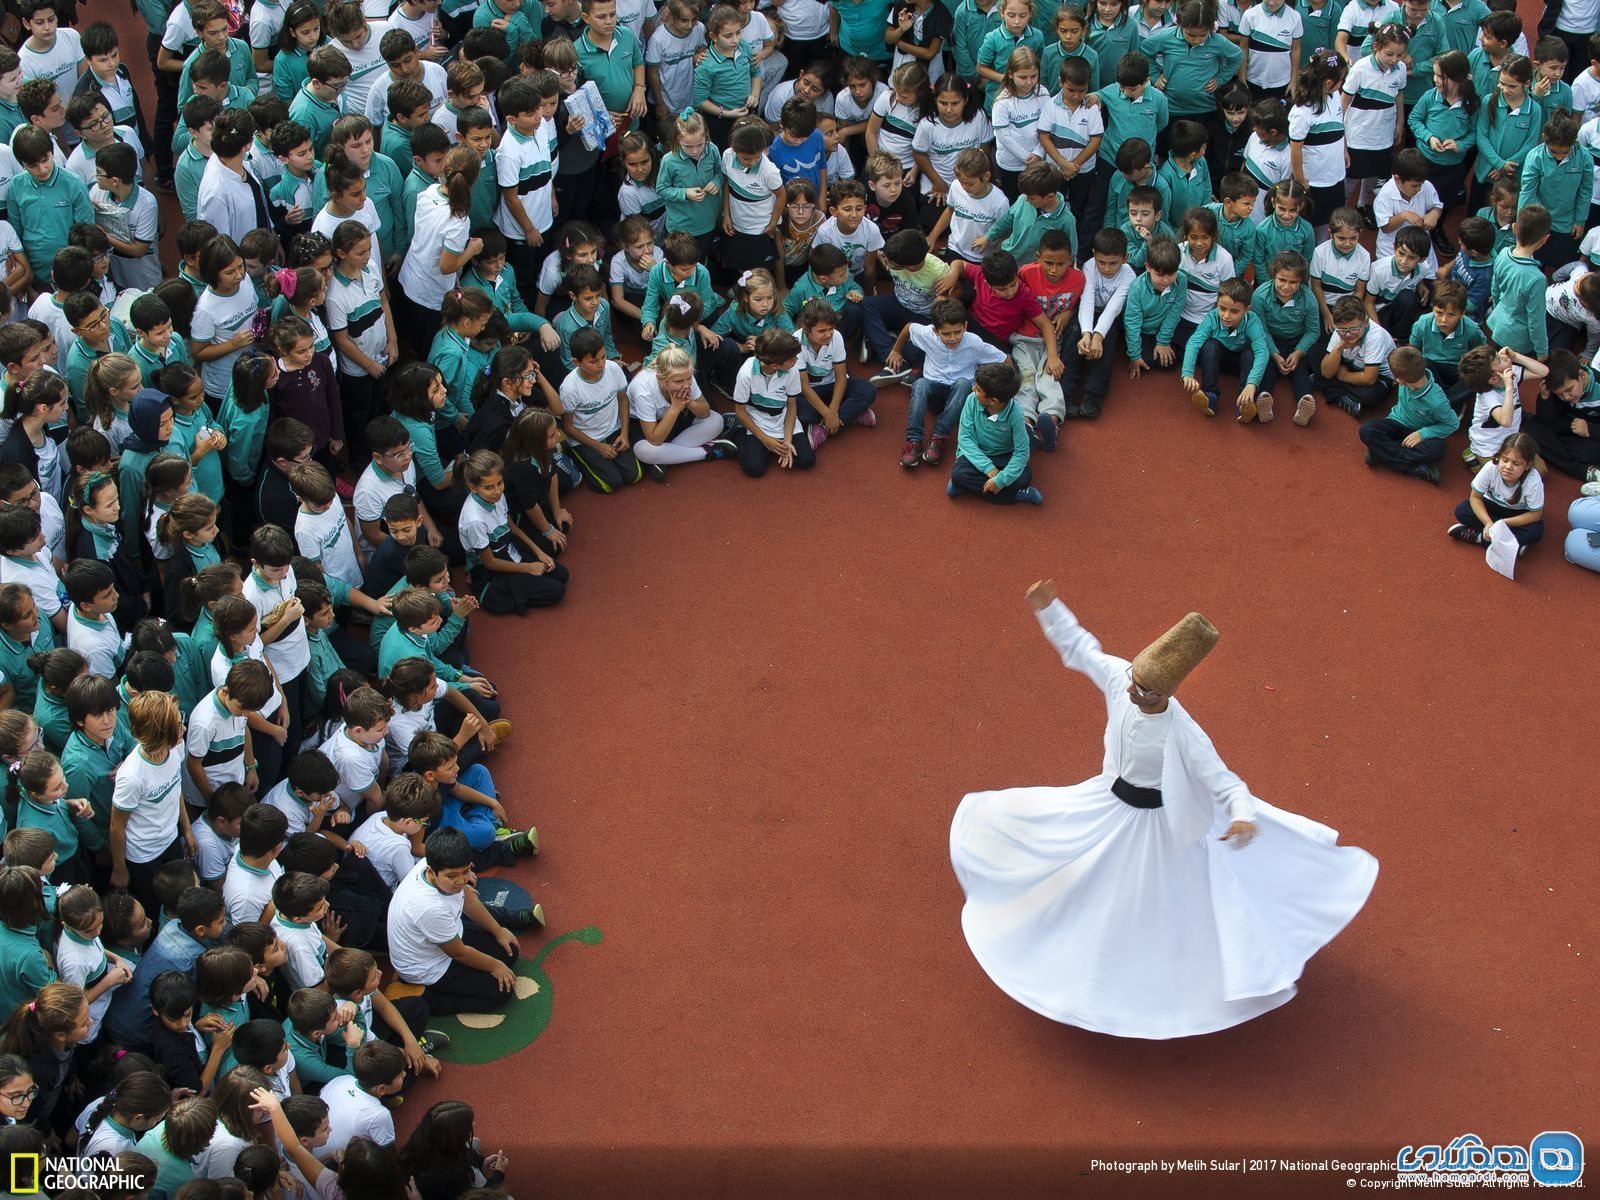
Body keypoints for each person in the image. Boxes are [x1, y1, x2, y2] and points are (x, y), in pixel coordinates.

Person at [950, 580, 1379, 1038]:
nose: (1134, 693)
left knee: (1139, 907)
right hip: (1104, 803)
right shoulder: (1121, 679)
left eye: (1147, 692)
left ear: (1167, 694)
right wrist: (1049, 608)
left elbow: (1225, 781)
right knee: (1042, 838)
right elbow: (1081, 647)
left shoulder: (1184, 734)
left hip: (1153, 829)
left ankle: (1124, 990)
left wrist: (1242, 814)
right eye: (1135, 682)